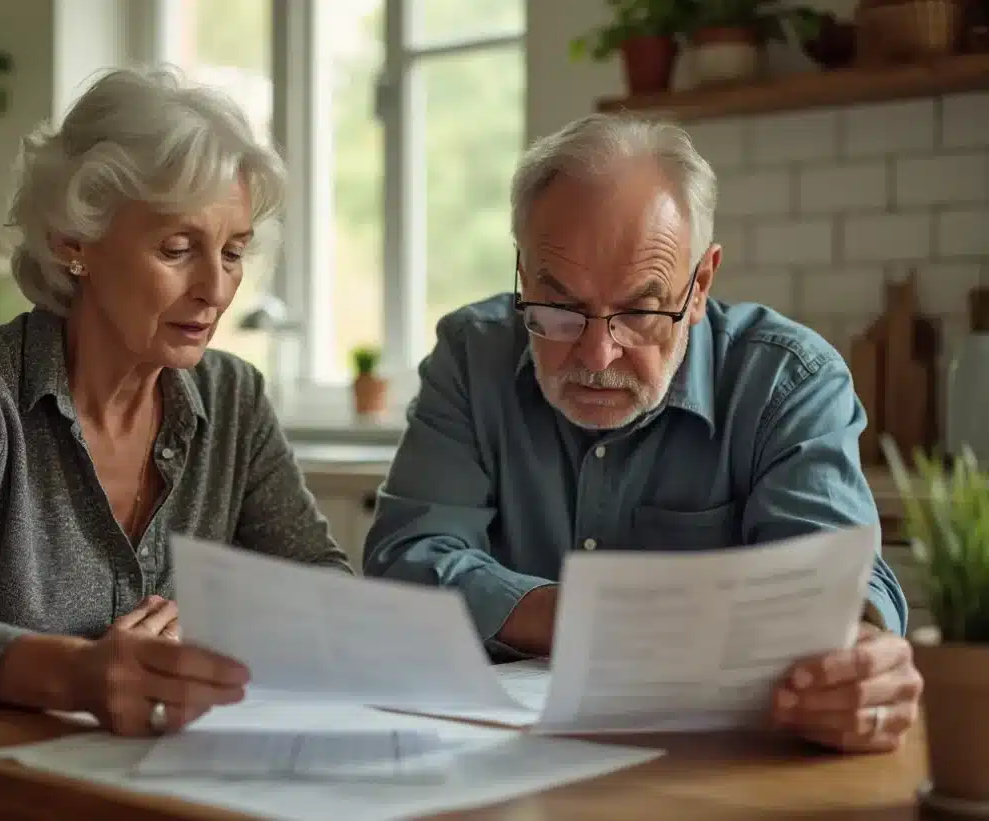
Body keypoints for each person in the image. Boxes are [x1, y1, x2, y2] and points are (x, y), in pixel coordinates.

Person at [362, 114, 922, 754]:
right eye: (561, 309)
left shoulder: (787, 382)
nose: (598, 356)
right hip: (492, 764)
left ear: (701, 283)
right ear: (524, 270)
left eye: (640, 310)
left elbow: (836, 589)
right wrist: (607, 623)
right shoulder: (472, 355)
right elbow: (405, 561)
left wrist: (862, 655)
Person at [0, 67, 351, 737]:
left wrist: (220, 627)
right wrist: (79, 672)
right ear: (71, 241)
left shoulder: (235, 398)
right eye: (177, 248)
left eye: (232, 252)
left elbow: (327, 592)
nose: (215, 289)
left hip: (173, 779)